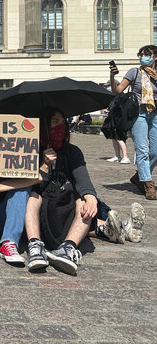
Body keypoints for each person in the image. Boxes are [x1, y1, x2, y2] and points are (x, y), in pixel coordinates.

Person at [24, 109, 145, 275]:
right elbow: (31, 183)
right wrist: (44, 165)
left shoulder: (72, 151)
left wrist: (90, 198)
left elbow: (82, 180)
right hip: (42, 209)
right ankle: (35, 245)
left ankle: (68, 248)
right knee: (33, 197)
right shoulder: (32, 151)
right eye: (54, 122)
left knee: (83, 202)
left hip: (66, 206)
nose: (59, 126)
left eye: (61, 122)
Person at [110, 45, 157, 199]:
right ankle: (148, 184)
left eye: (147, 54)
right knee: (142, 150)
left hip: (155, 114)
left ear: (155, 57)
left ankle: (138, 176)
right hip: (139, 114)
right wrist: (112, 76)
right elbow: (117, 90)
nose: (143, 56)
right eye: (141, 54)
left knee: (155, 152)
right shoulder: (135, 72)